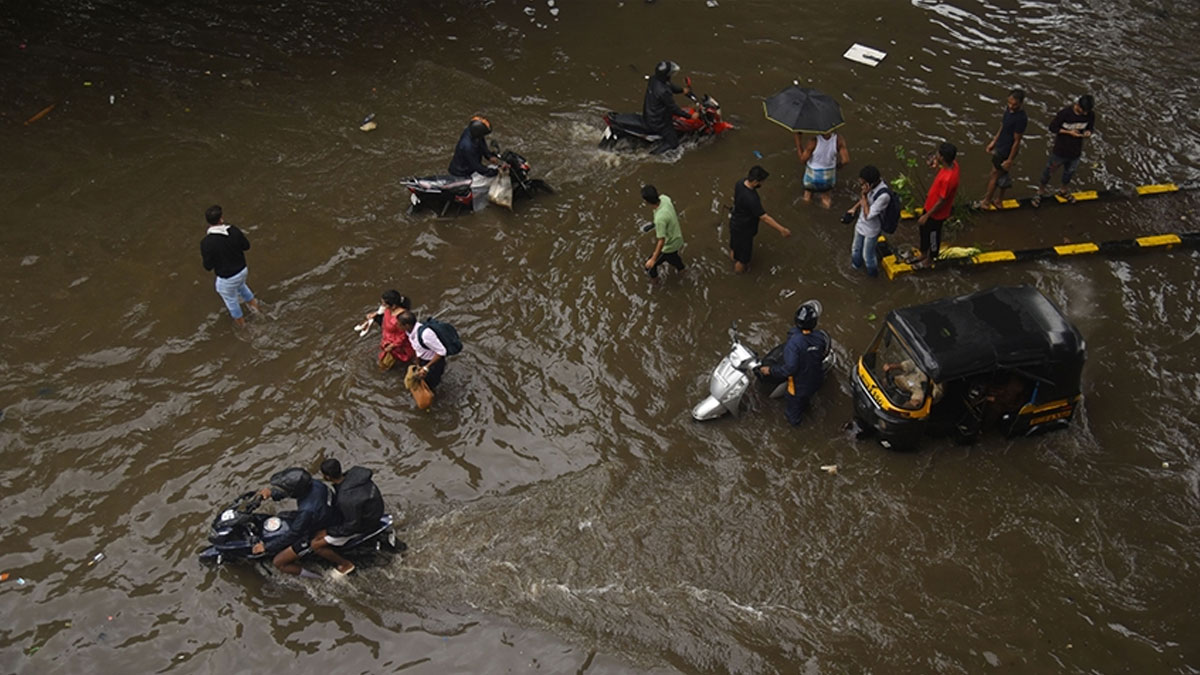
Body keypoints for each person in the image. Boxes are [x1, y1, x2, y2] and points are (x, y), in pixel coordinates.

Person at [310, 458, 386, 578]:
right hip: (374, 510)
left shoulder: (345, 500)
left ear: (327, 477)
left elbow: (350, 527)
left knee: (316, 545)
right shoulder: (356, 474)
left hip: (364, 525)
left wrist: (327, 532)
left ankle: (345, 565)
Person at [250, 468, 332, 578]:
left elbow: (294, 534)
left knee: (279, 562)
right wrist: (272, 493)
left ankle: (319, 577)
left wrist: (267, 547)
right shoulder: (315, 483)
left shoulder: (306, 511)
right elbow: (293, 492)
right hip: (324, 514)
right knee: (283, 515)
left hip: (316, 529)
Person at [758, 300, 830, 426]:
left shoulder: (794, 343)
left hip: (798, 387)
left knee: (793, 413)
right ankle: (806, 407)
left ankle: (796, 428)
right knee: (806, 399)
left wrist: (770, 370)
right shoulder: (820, 337)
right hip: (816, 380)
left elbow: (789, 369)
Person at [200, 205, 261, 326]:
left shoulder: (206, 243)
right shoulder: (234, 230)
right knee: (241, 287)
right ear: (221, 218)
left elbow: (208, 266)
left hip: (227, 277)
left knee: (231, 301)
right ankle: (257, 311)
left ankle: (242, 325)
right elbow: (246, 246)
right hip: (242, 270)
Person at [1033, 94, 1096, 207]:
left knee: (1069, 172)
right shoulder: (1065, 113)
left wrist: (1088, 132)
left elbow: (1090, 127)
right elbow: (1052, 128)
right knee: (1049, 172)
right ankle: (1040, 191)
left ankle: (1063, 190)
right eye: (1083, 111)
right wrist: (1068, 132)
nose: (1085, 114)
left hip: (1075, 151)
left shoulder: (1090, 115)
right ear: (1078, 105)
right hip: (1060, 151)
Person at [728, 165, 791, 274]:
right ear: (756, 181)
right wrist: (782, 229)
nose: (762, 184)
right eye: (761, 182)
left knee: (734, 248)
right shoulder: (752, 199)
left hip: (735, 223)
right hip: (744, 230)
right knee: (743, 260)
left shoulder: (740, 183)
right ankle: (738, 276)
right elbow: (764, 217)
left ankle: (732, 262)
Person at [977, 88, 1027, 210]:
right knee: (1002, 174)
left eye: (1014, 104)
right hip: (1001, 146)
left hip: (1006, 150)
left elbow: (1017, 140)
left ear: (1021, 103)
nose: (1011, 106)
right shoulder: (1009, 111)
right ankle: (998, 200)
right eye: (1009, 103)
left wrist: (1010, 159)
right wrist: (994, 141)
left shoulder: (1021, 118)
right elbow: (1003, 126)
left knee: (995, 174)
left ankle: (987, 201)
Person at [913, 142, 960, 267]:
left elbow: (941, 201)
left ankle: (930, 259)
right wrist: (936, 164)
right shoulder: (954, 165)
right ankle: (923, 252)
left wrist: (927, 215)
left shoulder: (947, 179)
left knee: (933, 236)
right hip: (929, 205)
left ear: (942, 158)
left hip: (936, 214)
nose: (936, 155)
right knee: (923, 229)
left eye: (938, 154)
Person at [642, 60, 699, 154]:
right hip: (657, 121)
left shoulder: (654, 79)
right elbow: (673, 109)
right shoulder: (664, 92)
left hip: (650, 113)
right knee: (673, 143)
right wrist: (690, 117)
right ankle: (652, 155)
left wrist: (682, 90)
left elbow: (669, 86)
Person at [843, 165, 890, 277]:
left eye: (863, 184)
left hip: (872, 229)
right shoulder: (870, 187)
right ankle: (855, 268)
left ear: (871, 183)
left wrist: (864, 195)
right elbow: (865, 201)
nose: (862, 186)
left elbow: (868, 215)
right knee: (855, 249)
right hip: (861, 224)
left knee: (868, 256)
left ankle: (872, 275)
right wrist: (854, 208)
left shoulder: (884, 196)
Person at [449, 115, 501, 211]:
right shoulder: (467, 146)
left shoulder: (472, 133)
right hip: (463, 174)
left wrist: (489, 156)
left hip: (466, 169)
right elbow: (479, 168)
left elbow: (482, 145)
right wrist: (496, 172)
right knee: (492, 178)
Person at [641, 185, 685, 281]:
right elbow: (666, 216)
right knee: (674, 258)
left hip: (669, 245)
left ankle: (656, 283)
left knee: (649, 267)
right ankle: (682, 270)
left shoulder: (660, 219)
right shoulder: (665, 198)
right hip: (677, 237)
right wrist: (654, 225)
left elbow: (661, 241)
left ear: (647, 201)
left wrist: (653, 259)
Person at [796, 131, 850, 208]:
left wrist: (798, 141)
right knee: (826, 198)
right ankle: (827, 215)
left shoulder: (813, 141)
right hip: (828, 177)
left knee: (807, 196)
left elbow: (802, 160)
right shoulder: (839, 140)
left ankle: (804, 211)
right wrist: (837, 167)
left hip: (812, 176)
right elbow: (846, 160)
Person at [367, 290, 416, 370]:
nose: (382, 306)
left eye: (384, 304)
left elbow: (403, 335)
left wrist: (392, 346)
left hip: (398, 344)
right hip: (388, 339)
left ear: (393, 306)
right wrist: (375, 314)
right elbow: (381, 312)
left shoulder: (401, 317)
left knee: (386, 364)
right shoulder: (387, 309)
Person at [400, 312, 447, 390]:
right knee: (422, 380)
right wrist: (418, 363)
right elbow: (417, 347)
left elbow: (442, 352)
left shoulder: (426, 335)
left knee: (431, 384)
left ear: (407, 325)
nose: (398, 327)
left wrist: (426, 368)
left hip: (434, 363)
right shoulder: (409, 332)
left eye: (399, 325)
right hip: (423, 360)